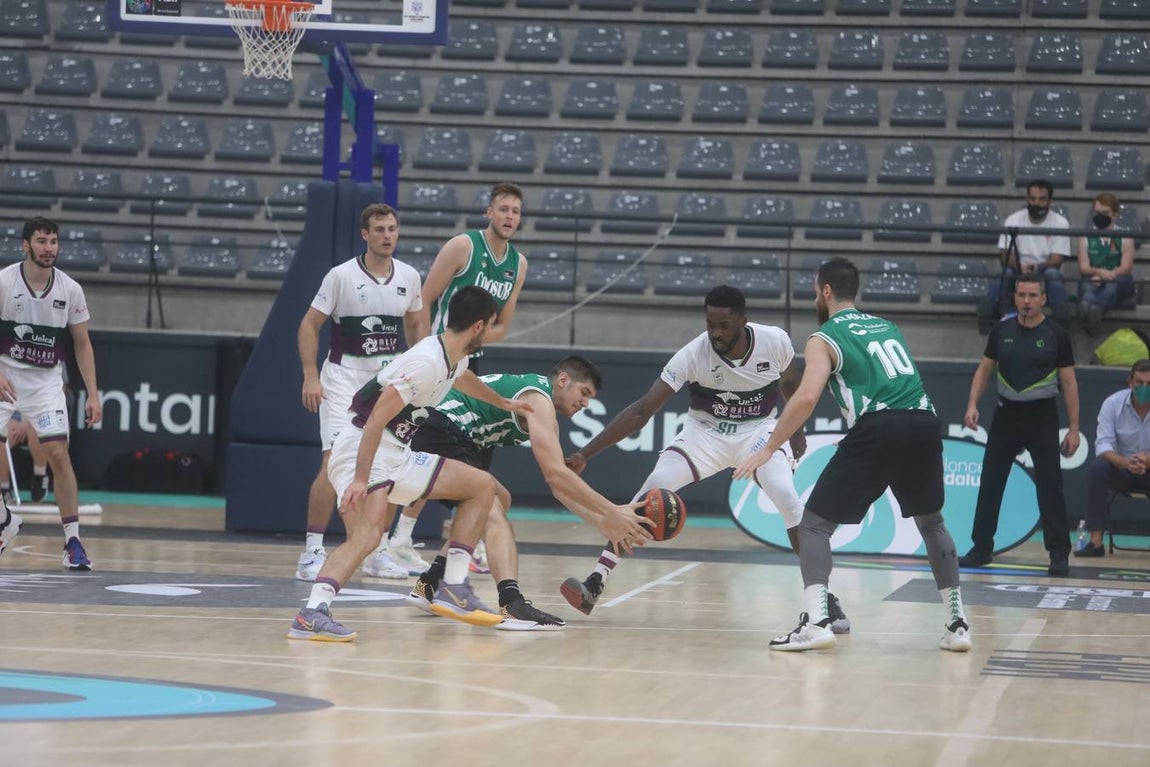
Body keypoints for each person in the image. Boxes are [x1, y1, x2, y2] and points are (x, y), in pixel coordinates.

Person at [559, 285, 851, 633]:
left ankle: (824, 601)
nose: (715, 333)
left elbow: (792, 387)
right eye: (710, 324)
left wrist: (795, 430)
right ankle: (596, 581)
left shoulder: (775, 342)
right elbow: (641, 410)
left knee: (787, 497)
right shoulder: (692, 354)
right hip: (704, 435)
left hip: (758, 432)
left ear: (743, 321)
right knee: (650, 491)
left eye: (724, 325)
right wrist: (585, 453)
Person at [734, 257, 971, 653]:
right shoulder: (887, 326)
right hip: (924, 421)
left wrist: (769, 446)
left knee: (812, 526)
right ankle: (957, 624)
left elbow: (806, 396)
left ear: (824, 291)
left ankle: (816, 622)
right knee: (932, 523)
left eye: (815, 289)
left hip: (879, 426)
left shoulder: (823, 337)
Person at [288, 287, 533, 641]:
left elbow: (463, 379)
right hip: (363, 446)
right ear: (478, 326)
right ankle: (312, 613)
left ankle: (452, 586)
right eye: (492, 326)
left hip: (398, 450)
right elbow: (374, 420)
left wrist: (504, 403)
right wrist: (359, 479)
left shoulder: (454, 356)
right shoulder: (427, 361)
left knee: (482, 486)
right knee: (369, 535)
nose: (494, 333)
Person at [405, 356, 654, 631]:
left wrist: (605, 523)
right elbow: (555, 474)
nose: (585, 403)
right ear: (562, 380)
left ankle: (432, 582)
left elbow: (560, 487)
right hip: (439, 425)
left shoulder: (546, 414)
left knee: (500, 499)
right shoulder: (538, 399)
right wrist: (612, 511)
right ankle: (512, 603)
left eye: (590, 398)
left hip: (440, 430)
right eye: (584, 393)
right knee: (493, 512)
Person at [295, 203, 429, 583]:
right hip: (343, 378)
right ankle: (312, 550)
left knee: (386, 468)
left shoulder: (409, 276)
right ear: (365, 235)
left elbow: (418, 323)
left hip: (388, 383)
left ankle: (377, 550)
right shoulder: (340, 276)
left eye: (392, 229)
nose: (388, 235)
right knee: (333, 462)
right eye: (380, 229)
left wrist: (424, 373)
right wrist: (310, 376)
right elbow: (308, 326)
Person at [419, 181, 529, 571]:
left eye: (515, 211)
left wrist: (476, 339)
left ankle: (467, 537)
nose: (509, 217)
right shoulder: (463, 247)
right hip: (434, 357)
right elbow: (425, 297)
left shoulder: (518, 263)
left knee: (475, 450)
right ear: (489, 212)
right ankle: (394, 542)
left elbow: (503, 324)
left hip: (469, 361)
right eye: (503, 209)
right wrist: (421, 348)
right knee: (423, 447)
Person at [959, 273, 1079, 576]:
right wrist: (972, 404)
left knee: (1050, 485)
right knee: (991, 482)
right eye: (1022, 295)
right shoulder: (1001, 331)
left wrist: (1074, 427)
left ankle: (1058, 553)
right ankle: (981, 547)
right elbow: (984, 370)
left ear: (1043, 299)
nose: (1027, 301)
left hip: (1042, 417)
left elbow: (1069, 383)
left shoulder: (1057, 334)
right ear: (1015, 297)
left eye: (1033, 296)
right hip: (1006, 415)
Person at [0, 217, 102, 569]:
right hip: (7, 376)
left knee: (59, 453)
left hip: (45, 381)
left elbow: (82, 343)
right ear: (25, 245)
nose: (49, 248)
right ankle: (6, 519)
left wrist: (93, 393)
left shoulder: (70, 289)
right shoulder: (4, 281)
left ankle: (73, 541)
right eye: (41, 241)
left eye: (53, 241)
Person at [1076, 359, 1150, 557]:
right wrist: (1126, 462)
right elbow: (1103, 446)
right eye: (1140, 383)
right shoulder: (1112, 404)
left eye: (1149, 384)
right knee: (1098, 468)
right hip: (1121, 469)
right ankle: (1095, 541)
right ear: (1130, 382)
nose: (1144, 388)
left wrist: (1147, 460)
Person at [985, 180, 1071, 322]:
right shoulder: (1013, 220)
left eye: (1042, 199)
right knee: (1006, 273)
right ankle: (995, 315)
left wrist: (1037, 267)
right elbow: (1005, 255)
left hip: (1044, 270)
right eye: (1033, 198)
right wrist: (1021, 266)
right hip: (1018, 269)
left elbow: (1056, 260)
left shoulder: (1061, 223)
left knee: (1053, 274)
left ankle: (1062, 321)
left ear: (1050, 201)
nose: (1036, 203)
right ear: (1027, 199)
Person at [1077, 192, 1135, 333]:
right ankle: (1088, 307)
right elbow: (1084, 268)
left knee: (1113, 286)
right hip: (1094, 277)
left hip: (1117, 278)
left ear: (1115, 214)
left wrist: (1105, 275)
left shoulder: (1126, 237)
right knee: (1086, 285)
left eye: (1105, 212)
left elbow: (1126, 267)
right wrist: (1098, 272)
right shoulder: (1085, 237)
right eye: (1097, 212)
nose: (1100, 216)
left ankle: (1095, 309)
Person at [0, 412, 50, 505]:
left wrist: (25, 424)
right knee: (2, 436)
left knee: (36, 426)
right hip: (13, 414)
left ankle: (40, 475)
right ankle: (4, 489)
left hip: (38, 412)